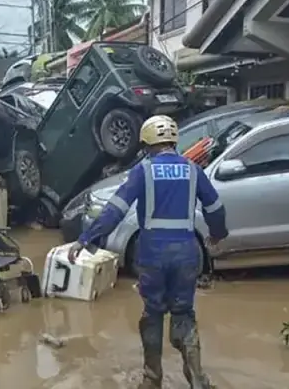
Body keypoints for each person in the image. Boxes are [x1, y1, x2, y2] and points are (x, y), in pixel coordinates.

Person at [68, 115, 228, 389]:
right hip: (187, 254)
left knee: (152, 314)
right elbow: (215, 208)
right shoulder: (193, 169)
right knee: (185, 314)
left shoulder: (144, 171)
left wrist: (86, 239)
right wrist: (216, 235)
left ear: (147, 143)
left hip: (153, 254)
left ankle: (152, 380)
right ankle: (198, 380)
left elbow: (115, 209)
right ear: (173, 141)